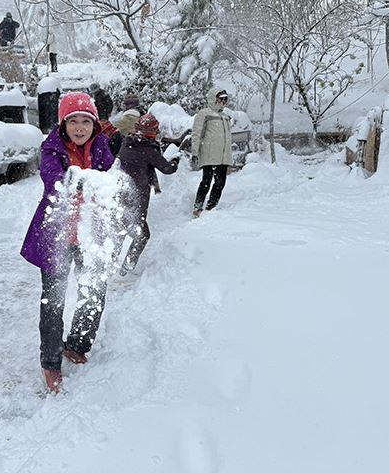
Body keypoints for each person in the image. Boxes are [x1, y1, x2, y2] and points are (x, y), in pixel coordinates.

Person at [20, 92, 115, 393]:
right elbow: (54, 180)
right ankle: (50, 363)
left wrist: (116, 150)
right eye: (72, 121)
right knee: (54, 301)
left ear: (94, 124)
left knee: (94, 293)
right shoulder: (51, 150)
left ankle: (76, 344)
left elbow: (111, 174)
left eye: (85, 121)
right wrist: (82, 178)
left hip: (91, 234)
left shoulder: (100, 147)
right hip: (57, 237)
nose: (79, 127)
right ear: (63, 125)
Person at [117, 113, 178, 274]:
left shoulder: (127, 143)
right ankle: (125, 268)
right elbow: (167, 169)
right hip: (137, 196)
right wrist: (175, 161)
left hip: (121, 193)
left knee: (120, 229)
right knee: (142, 234)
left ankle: (109, 263)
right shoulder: (148, 149)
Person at [191, 88, 233, 218]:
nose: (223, 101)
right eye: (220, 98)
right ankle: (198, 207)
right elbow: (197, 133)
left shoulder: (225, 116)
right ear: (213, 98)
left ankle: (211, 206)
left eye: (225, 99)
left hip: (223, 156)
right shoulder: (204, 114)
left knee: (220, 182)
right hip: (209, 153)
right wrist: (195, 152)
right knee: (206, 181)